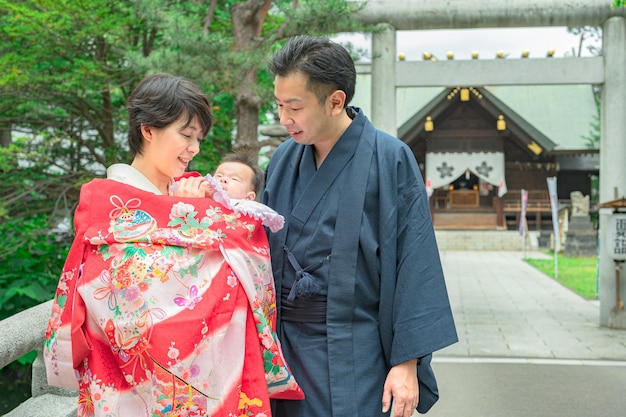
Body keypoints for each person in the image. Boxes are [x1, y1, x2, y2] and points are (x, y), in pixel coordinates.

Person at [43, 72, 302, 417]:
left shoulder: (195, 196)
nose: (195, 149)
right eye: (186, 134)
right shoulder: (109, 206)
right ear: (148, 130)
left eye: (199, 138)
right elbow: (121, 308)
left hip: (208, 382)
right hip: (126, 387)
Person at [262, 36, 458, 417]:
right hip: (284, 353)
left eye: (295, 107)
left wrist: (407, 364)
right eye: (280, 105)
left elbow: (414, 263)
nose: (284, 118)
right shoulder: (284, 159)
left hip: (358, 352)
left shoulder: (389, 158)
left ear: (335, 101)